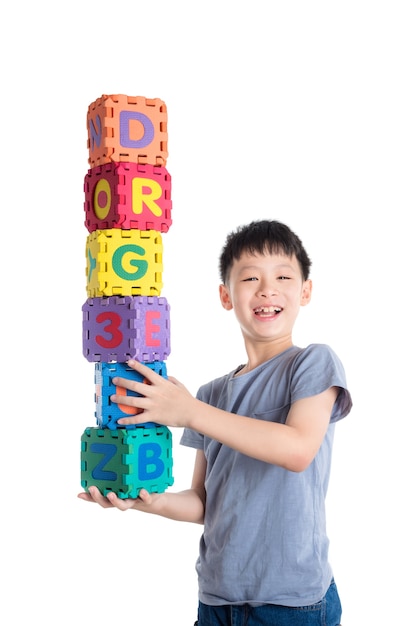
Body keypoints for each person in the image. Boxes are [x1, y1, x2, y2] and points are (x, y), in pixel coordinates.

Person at [78, 219, 352, 626]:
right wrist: (145, 500)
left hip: (292, 603)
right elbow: (205, 503)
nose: (267, 289)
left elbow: (297, 450)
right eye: (250, 278)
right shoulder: (211, 394)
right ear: (226, 296)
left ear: (305, 291)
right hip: (217, 598)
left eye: (283, 276)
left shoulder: (312, 362)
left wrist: (189, 412)